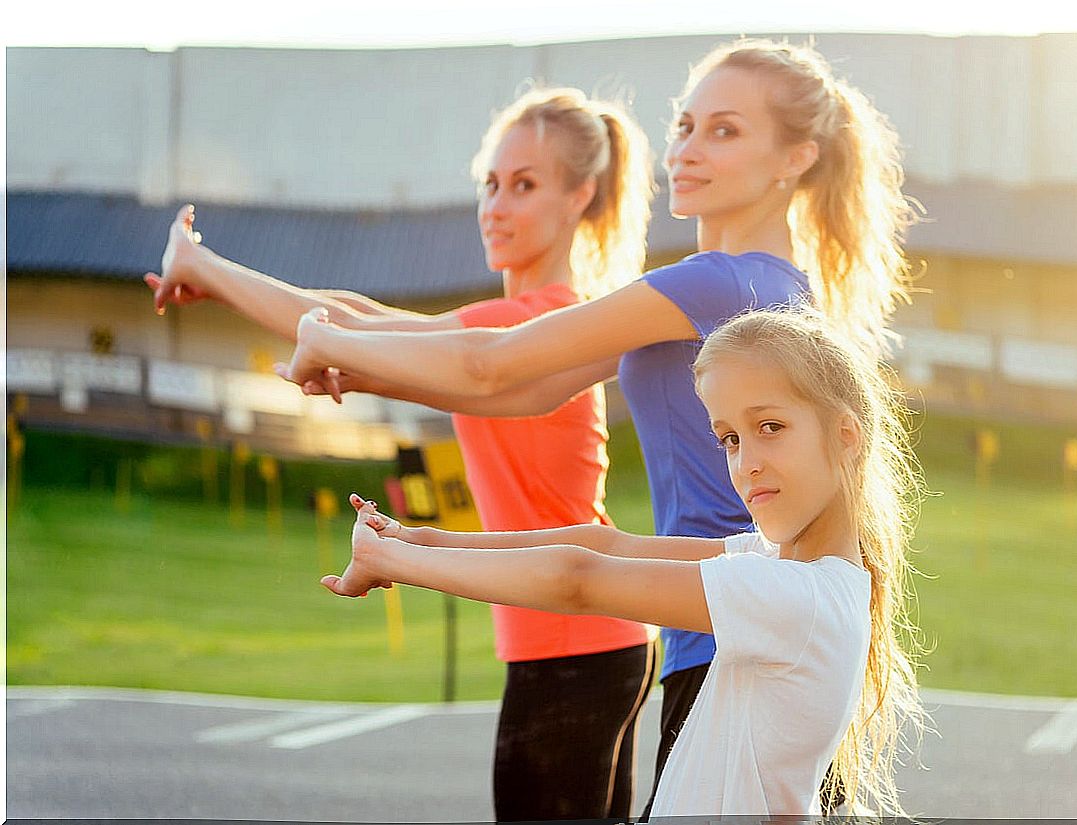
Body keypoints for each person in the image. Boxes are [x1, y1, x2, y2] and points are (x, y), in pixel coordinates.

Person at [274, 38, 920, 813]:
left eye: (724, 130)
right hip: (710, 627)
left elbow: (496, 368)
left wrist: (332, 342)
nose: (686, 148)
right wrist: (411, 524)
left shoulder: (722, 284)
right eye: (683, 126)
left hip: (724, 633)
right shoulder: (763, 290)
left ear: (796, 158)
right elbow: (523, 393)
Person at [147, 87, 658, 821]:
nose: (497, 205)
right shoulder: (523, 330)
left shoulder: (538, 321)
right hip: (590, 638)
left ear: (582, 195)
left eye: (525, 185)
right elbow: (368, 327)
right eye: (489, 183)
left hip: (570, 641)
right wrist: (347, 356)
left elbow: (361, 322)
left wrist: (206, 267)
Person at [326, 307, 928, 817]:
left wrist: (394, 565)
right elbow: (607, 545)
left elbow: (578, 581)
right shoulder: (782, 567)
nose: (745, 464)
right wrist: (413, 541)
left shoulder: (798, 598)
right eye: (730, 439)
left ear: (847, 436)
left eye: (770, 427)